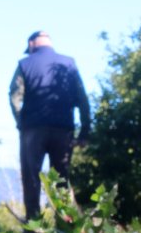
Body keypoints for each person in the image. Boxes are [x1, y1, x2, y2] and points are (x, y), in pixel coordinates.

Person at [9, 31, 91, 222]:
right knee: (61, 181)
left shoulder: (24, 64)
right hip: (63, 130)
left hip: (32, 131)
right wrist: (85, 131)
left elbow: (14, 97)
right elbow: (83, 99)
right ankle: (64, 232)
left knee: (32, 181)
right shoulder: (69, 64)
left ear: (31, 44)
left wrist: (21, 122)